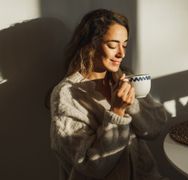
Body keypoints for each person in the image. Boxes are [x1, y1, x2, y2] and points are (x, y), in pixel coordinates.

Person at [49, 9, 168, 180]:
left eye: (124, 45)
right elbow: (89, 166)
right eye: (113, 45)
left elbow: (155, 128)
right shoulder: (67, 94)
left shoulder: (124, 77)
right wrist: (117, 112)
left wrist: (132, 104)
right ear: (91, 45)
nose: (122, 53)